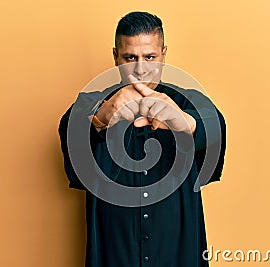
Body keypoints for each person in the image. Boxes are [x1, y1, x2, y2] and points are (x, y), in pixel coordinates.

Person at [58, 11, 226, 267]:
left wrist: (186, 122)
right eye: (130, 58)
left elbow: (216, 125)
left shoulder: (185, 101)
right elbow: (69, 128)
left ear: (164, 54)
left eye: (150, 57)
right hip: (114, 251)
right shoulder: (94, 105)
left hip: (177, 250)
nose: (140, 68)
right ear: (115, 56)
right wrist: (101, 116)